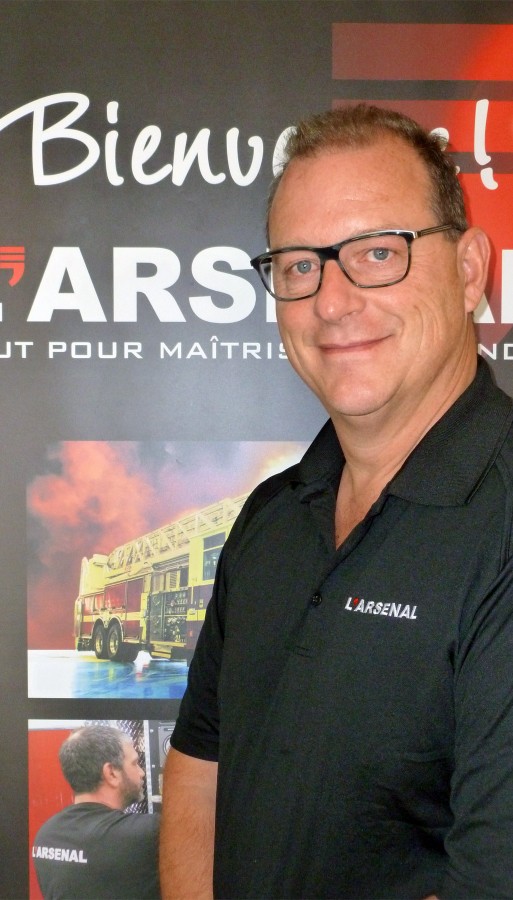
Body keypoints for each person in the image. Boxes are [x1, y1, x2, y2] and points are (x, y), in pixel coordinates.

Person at [159, 104, 513, 899]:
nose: (330, 301)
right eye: (298, 266)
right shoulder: (271, 516)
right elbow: (200, 764)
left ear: (467, 271)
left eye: (377, 253)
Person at [32, 725, 160, 899]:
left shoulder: (46, 835)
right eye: (135, 763)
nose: (141, 772)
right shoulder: (147, 833)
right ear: (111, 773)